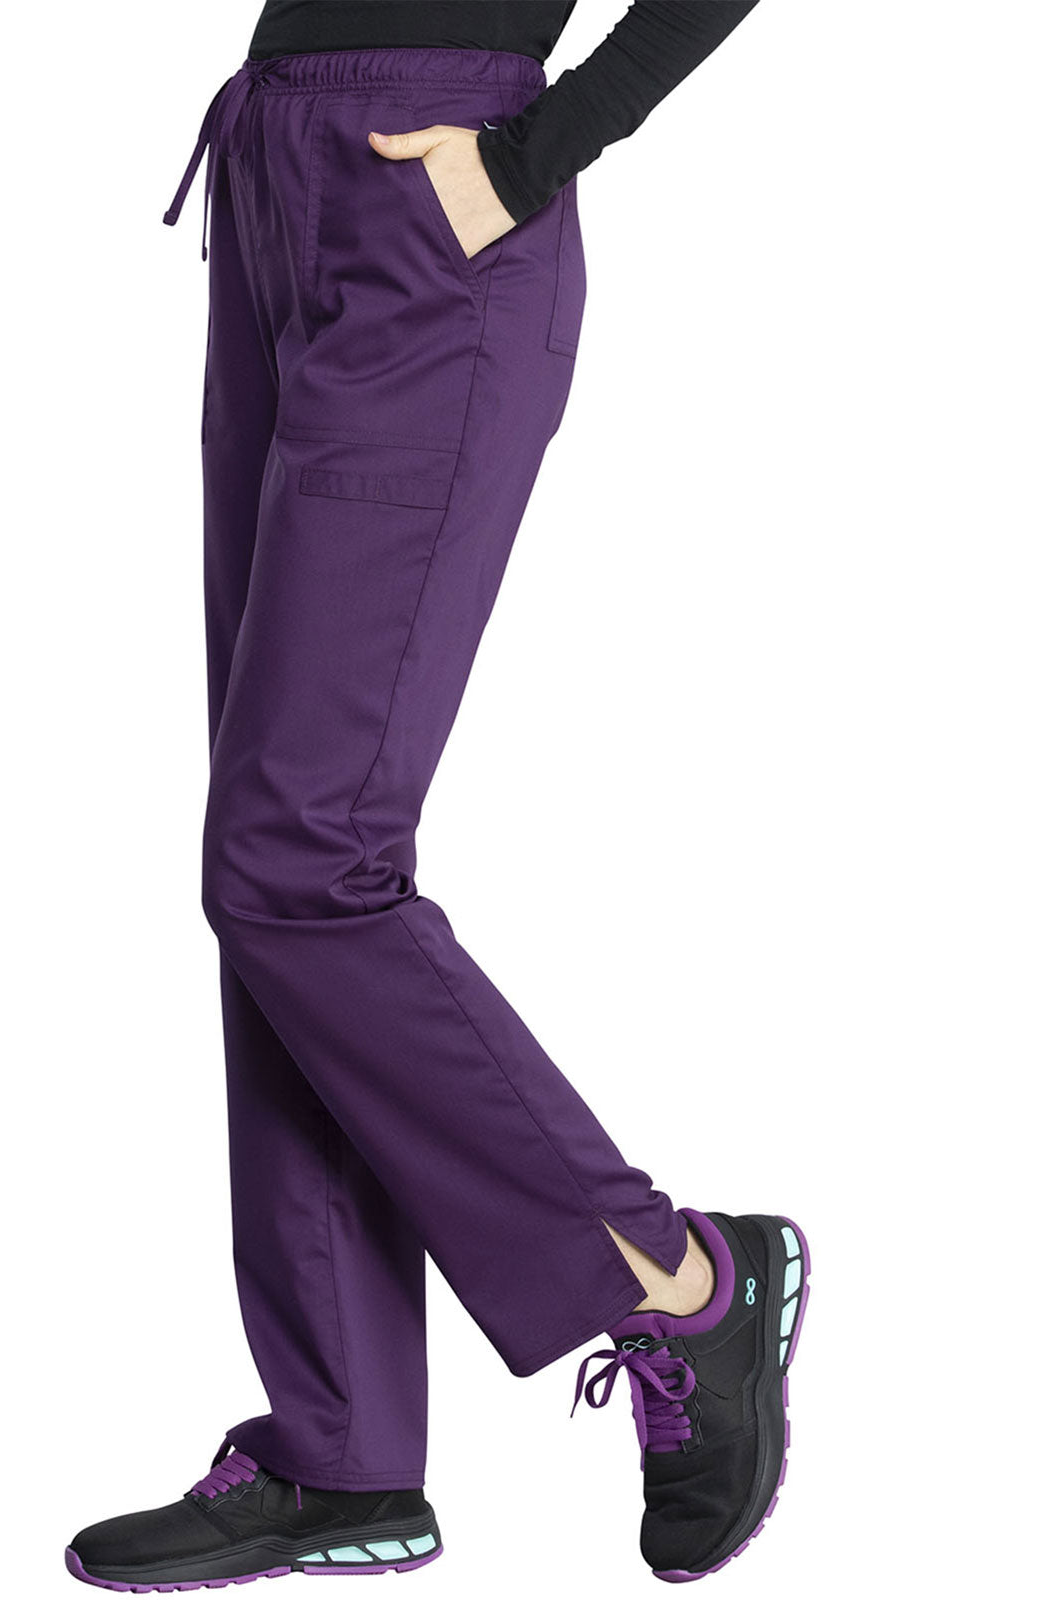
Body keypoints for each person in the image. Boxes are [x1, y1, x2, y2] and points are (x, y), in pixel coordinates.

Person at [66, 2, 809, 1589]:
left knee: (296, 857)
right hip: (279, 167)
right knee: (273, 869)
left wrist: (541, 152)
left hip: (436, 195)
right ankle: (341, 1451)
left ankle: (675, 1281)